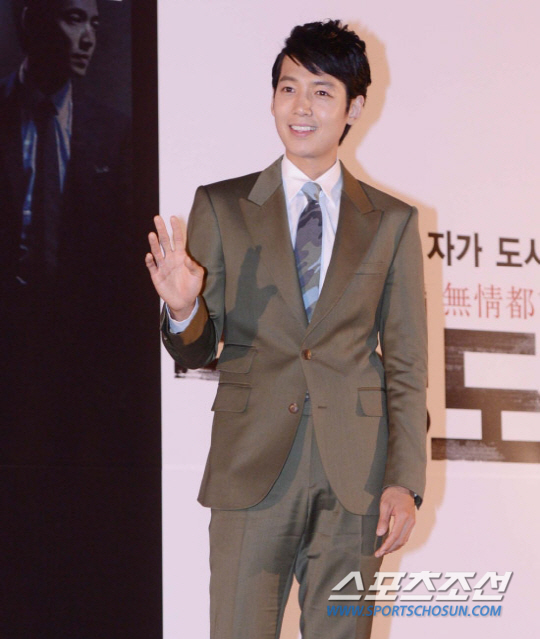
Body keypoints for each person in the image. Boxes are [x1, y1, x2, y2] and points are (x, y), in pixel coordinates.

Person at [146, 20, 427, 639]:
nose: (301, 107)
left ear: (354, 107)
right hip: (252, 468)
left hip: (356, 477)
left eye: (322, 92)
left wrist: (405, 482)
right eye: (288, 88)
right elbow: (196, 349)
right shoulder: (223, 206)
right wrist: (185, 310)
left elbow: (408, 363)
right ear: (273, 98)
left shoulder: (392, 222)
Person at [0, 0, 138, 464]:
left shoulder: (115, 132)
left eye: (94, 23)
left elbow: (120, 261)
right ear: (32, 20)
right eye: (74, 19)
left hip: (80, 354)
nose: (88, 38)